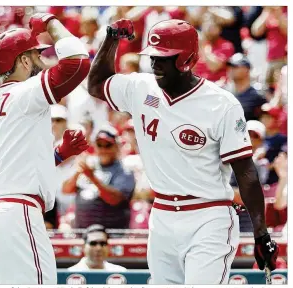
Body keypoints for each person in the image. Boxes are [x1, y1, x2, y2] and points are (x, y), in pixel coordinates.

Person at [87, 19, 278, 284]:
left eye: (165, 58)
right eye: (153, 57)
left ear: (187, 59)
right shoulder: (140, 87)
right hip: (162, 213)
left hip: (208, 215)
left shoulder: (221, 104)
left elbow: (245, 171)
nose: (155, 64)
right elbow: (96, 84)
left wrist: (261, 233)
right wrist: (111, 39)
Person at [0, 13, 90, 285]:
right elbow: (79, 63)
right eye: (37, 55)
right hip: (15, 216)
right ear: (24, 60)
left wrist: (57, 155)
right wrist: (50, 23)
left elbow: (14, 162)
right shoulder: (23, 93)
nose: (43, 60)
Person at [62, 125, 135, 228]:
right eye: (99, 145)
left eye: (108, 145)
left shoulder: (124, 171)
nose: (103, 149)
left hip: (112, 236)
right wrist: (77, 172)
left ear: (116, 146)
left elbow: (114, 199)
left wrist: (92, 177)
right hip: (83, 234)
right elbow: (66, 190)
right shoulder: (88, 163)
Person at [226, 53, 267, 121]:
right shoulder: (225, 92)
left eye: (235, 66)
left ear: (246, 69)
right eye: (230, 67)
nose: (231, 69)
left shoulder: (258, 94)